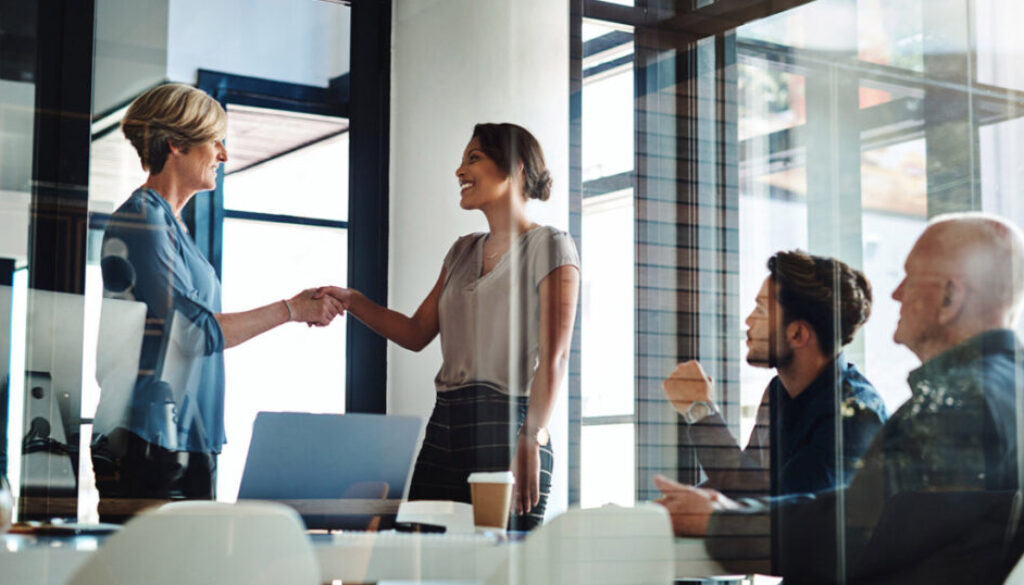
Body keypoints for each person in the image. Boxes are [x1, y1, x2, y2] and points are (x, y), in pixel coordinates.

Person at [655, 212, 1024, 584]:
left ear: (950, 297)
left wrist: (721, 521)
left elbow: (855, 531)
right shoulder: (996, 391)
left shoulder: (961, 401)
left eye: (909, 277)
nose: (895, 293)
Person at [90, 83, 345, 518]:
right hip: (149, 441)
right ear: (176, 144)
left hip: (186, 437)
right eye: (215, 141)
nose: (223, 155)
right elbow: (193, 333)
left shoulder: (172, 226)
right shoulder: (143, 219)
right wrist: (292, 309)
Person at [317, 123, 580, 530]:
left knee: (501, 569)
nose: (459, 171)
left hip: (511, 425)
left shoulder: (551, 245)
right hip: (446, 425)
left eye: (473, 158)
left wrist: (531, 437)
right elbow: (416, 332)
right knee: (424, 558)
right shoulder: (461, 250)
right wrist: (354, 302)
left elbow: (556, 356)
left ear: (517, 168)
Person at [663, 251, 886, 499]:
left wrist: (701, 410)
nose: (748, 320)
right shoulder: (779, 390)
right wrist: (670, 505)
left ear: (797, 334)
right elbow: (747, 478)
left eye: (760, 310)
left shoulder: (855, 414)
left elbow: (778, 509)